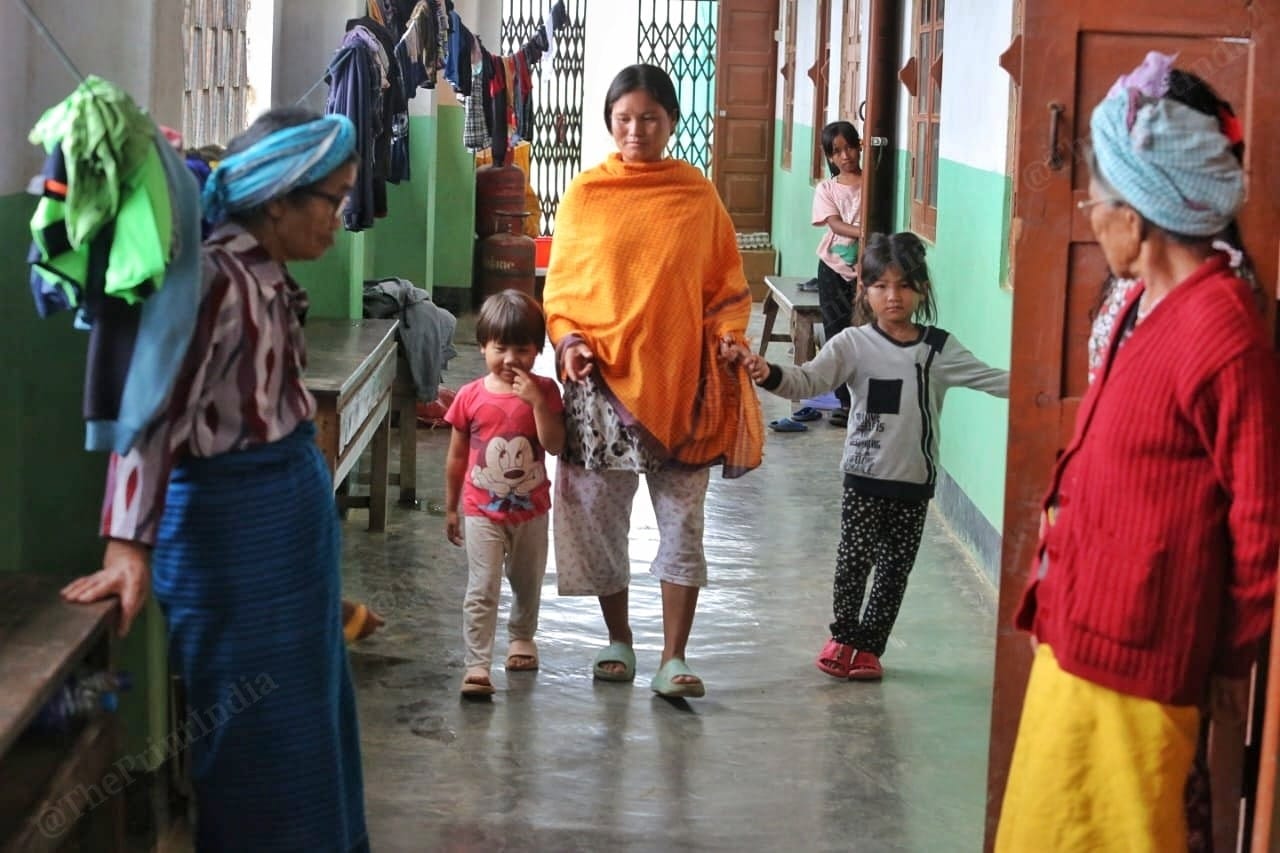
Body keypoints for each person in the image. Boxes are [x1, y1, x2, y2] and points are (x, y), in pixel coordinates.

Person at [61, 107, 369, 851]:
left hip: (284, 529)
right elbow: (153, 414)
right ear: (277, 198)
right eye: (332, 199)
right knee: (255, 734)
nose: (341, 218)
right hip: (234, 538)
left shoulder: (262, 274)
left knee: (307, 715)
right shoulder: (215, 282)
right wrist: (127, 546)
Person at [996, 53, 1280, 851]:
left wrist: (1226, 660)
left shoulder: (1222, 330)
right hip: (1079, 633)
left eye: (1100, 201)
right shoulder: (1135, 305)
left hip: (1143, 657)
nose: (1091, 215)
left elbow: (1261, 521)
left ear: (1141, 215)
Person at [541, 63, 764, 700]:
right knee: (598, 520)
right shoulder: (586, 195)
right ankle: (619, 640)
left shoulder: (696, 197)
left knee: (683, 523)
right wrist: (570, 344)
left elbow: (725, 286)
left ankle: (675, 657)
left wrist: (729, 337)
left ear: (671, 122)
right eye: (624, 119)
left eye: (649, 118)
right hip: (600, 390)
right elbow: (562, 293)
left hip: (684, 386)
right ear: (609, 122)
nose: (636, 130)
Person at [744, 232, 1008, 681]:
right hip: (863, 477)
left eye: (904, 285)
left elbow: (991, 379)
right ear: (864, 290)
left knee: (893, 571)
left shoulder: (938, 349)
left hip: (913, 481)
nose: (893, 296)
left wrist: (1053, 388)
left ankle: (869, 648)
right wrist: (768, 372)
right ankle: (842, 638)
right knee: (853, 562)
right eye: (881, 286)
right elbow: (807, 381)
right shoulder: (851, 344)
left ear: (922, 289)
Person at [443, 289, 565, 697]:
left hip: (532, 511)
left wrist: (537, 404)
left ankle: (522, 638)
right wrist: (451, 507)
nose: (511, 358)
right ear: (482, 347)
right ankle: (477, 663)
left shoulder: (546, 391)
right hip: (481, 511)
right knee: (482, 587)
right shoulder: (470, 396)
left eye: (522, 349)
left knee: (527, 581)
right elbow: (457, 456)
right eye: (500, 348)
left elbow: (554, 445)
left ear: (538, 351)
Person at [773, 120, 864, 433]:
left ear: (860, 146)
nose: (845, 156)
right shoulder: (827, 188)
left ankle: (860, 400)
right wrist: (865, 232)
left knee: (863, 333)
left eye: (849, 147)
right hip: (833, 270)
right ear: (829, 156)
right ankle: (844, 402)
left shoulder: (872, 184)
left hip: (866, 271)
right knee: (836, 333)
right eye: (837, 151)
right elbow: (835, 224)